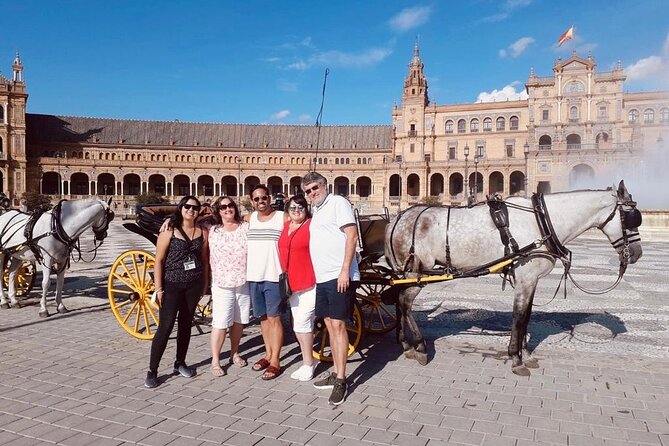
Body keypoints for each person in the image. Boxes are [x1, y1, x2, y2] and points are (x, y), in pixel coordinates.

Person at [302, 172, 359, 405]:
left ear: (325, 185)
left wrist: (345, 270)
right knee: (328, 325)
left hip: (339, 276)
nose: (312, 193)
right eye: (307, 191)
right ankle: (336, 372)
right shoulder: (317, 210)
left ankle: (342, 379)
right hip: (323, 277)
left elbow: (352, 236)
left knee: (337, 325)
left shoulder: (338, 203)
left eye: (315, 188)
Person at [144, 195, 209, 388]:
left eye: (195, 208)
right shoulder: (169, 230)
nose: (191, 210)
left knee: (186, 325)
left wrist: (204, 284)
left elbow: (204, 261)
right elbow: (159, 261)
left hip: (193, 284)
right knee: (165, 326)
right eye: (187, 206)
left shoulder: (202, 232)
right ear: (180, 208)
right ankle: (152, 370)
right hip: (172, 284)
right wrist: (159, 288)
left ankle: (180, 362)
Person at [245, 185, 289, 380]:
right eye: (256, 199)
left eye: (263, 198)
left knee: (274, 318)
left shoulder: (282, 217)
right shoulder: (250, 219)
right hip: (254, 275)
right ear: (251, 201)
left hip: (274, 275)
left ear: (269, 198)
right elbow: (221, 220)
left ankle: (276, 361)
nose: (260, 201)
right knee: (262, 318)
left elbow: (302, 226)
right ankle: (268, 353)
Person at [207, 196, 250, 377]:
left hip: (243, 280)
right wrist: (170, 220)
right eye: (223, 207)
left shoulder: (245, 227)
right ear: (217, 211)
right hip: (222, 282)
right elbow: (189, 216)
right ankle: (215, 360)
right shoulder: (212, 230)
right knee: (220, 322)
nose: (227, 209)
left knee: (239, 321)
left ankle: (234, 352)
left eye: (230, 205)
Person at [277, 195, 318, 381]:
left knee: (302, 323)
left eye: (300, 208)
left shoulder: (311, 225)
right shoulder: (286, 226)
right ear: (288, 210)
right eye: (293, 208)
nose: (296, 211)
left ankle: (308, 363)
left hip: (310, 281)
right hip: (291, 284)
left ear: (306, 209)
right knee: (300, 325)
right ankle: (308, 360)